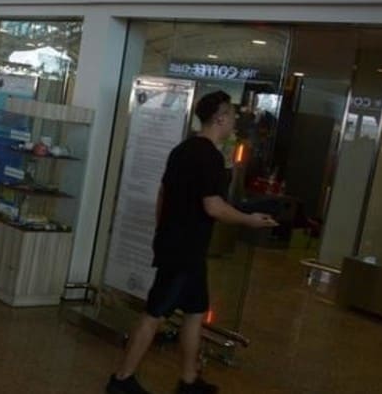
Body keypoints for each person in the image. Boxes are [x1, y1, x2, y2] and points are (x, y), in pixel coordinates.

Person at [106, 91, 278, 394]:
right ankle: (121, 379)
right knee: (154, 312)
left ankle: (188, 381)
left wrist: (165, 231)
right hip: (184, 252)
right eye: (233, 116)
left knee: (195, 312)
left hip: (181, 247)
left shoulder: (182, 149)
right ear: (220, 117)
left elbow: (163, 194)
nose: (235, 122)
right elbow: (213, 206)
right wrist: (249, 220)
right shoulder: (209, 156)